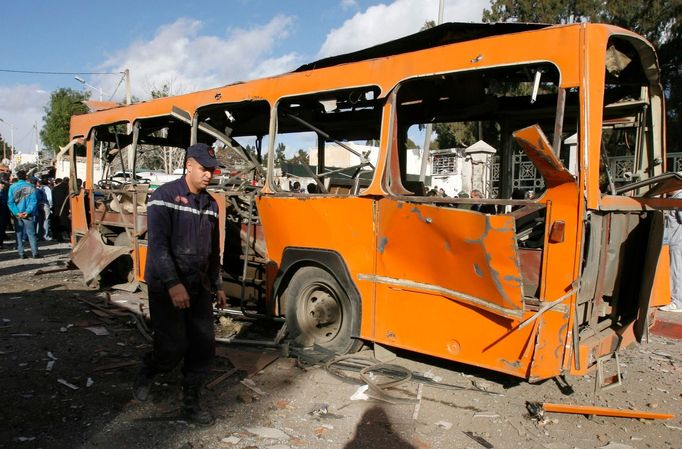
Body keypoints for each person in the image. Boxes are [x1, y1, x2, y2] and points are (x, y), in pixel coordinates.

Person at [133, 143, 227, 425]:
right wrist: (173, 284)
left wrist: (218, 283)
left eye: (212, 169)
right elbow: (158, 246)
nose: (209, 175)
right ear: (188, 165)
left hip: (198, 286)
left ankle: (191, 401)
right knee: (173, 346)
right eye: (203, 169)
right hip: (166, 285)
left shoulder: (210, 205)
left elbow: (214, 251)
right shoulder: (164, 197)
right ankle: (150, 368)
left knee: (203, 346)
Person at [7, 170, 40, 259]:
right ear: (26, 177)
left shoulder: (12, 187)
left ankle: (21, 253)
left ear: (17, 177)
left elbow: (10, 202)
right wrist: (27, 211)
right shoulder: (31, 187)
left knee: (19, 234)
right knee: (31, 234)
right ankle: (35, 253)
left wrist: (17, 212)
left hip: (17, 215)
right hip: (27, 215)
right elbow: (34, 201)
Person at [662, 189, 682, 312]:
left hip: (677, 241)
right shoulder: (675, 197)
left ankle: (677, 303)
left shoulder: (679, 197)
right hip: (676, 241)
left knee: (676, 272)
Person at [51, 177, 70, 242]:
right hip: (66, 209)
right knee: (67, 224)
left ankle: (58, 237)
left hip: (56, 209)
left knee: (57, 223)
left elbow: (52, 200)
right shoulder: (68, 189)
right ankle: (70, 237)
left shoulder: (55, 189)